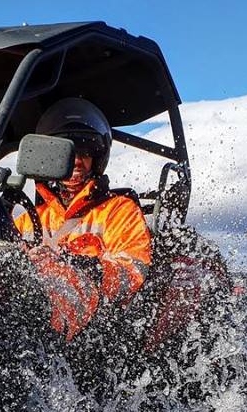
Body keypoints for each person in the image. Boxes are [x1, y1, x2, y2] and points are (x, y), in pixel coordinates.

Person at [15, 97, 152, 341]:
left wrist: (75, 264)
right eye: (67, 153)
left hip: (97, 331)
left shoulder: (119, 210)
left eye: (85, 152)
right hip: (28, 315)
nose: (77, 161)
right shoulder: (30, 219)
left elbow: (132, 273)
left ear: (97, 158)